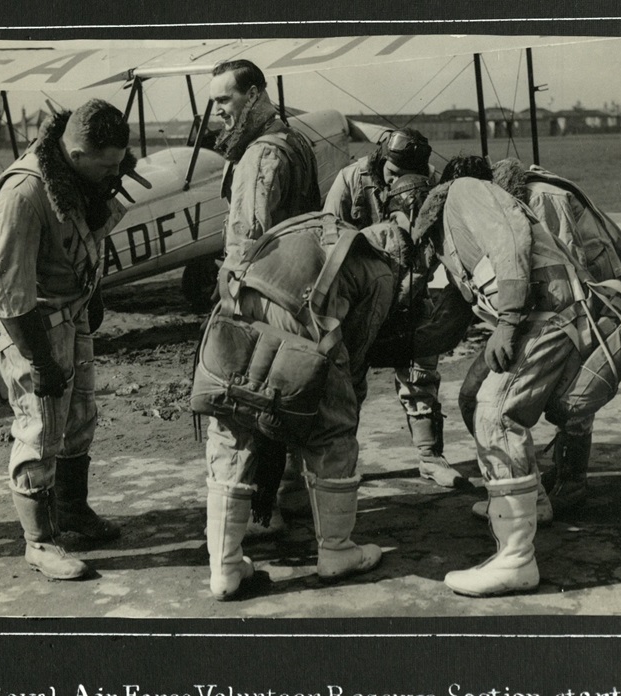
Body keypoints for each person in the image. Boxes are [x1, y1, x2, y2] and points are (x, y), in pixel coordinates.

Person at [197, 208, 444, 601]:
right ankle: (336, 551)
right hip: (305, 328)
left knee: (233, 428)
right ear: (401, 261)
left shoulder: (319, 225)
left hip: (235, 312)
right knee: (333, 432)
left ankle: (224, 568)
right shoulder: (381, 270)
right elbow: (357, 351)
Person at [412, 155, 621, 596]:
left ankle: (515, 560)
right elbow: (453, 314)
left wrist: (509, 320)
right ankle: (533, 502)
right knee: (475, 398)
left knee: (497, 416)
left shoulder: (465, 191)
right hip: (543, 312)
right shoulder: (456, 225)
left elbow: (509, 240)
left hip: (544, 312)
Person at [450, 158, 621, 516]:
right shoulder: (518, 198)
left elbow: (568, 272)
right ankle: (540, 482)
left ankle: (571, 482)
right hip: (579, 303)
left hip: (594, 303)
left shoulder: (540, 197)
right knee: (513, 396)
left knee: (572, 400)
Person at [0, 99, 135, 580]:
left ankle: (72, 511)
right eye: (108, 163)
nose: (117, 171)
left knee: (79, 418)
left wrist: (91, 294)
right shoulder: (25, 193)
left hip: (70, 316)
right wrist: (42, 363)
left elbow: (79, 240)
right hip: (31, 327)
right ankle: (39, 542)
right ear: (75, 151)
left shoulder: (75, 179)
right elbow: (8, 295)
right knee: (40, 429)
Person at [208, 59, 323, 537]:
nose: (217, 112)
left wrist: (230, 303)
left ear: (253, 95)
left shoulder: (259, 155)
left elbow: (246, 242)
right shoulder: (297, 140)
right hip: (301, 295)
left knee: (253, 403)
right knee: (292, 396)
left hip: (264, 295)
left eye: (224, 100)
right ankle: (293, 492)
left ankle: (261, 512)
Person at [323, 128, 473, 488]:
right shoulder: (351, 180)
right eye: (392, 175)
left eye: (408, 179)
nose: (397, 184)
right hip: (358, 299)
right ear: (380, 159)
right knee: (345, 382)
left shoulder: (434, 185)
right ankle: (340, 465)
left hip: (411, 290)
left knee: (421, 373)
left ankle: (429, 457)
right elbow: (327, 236)